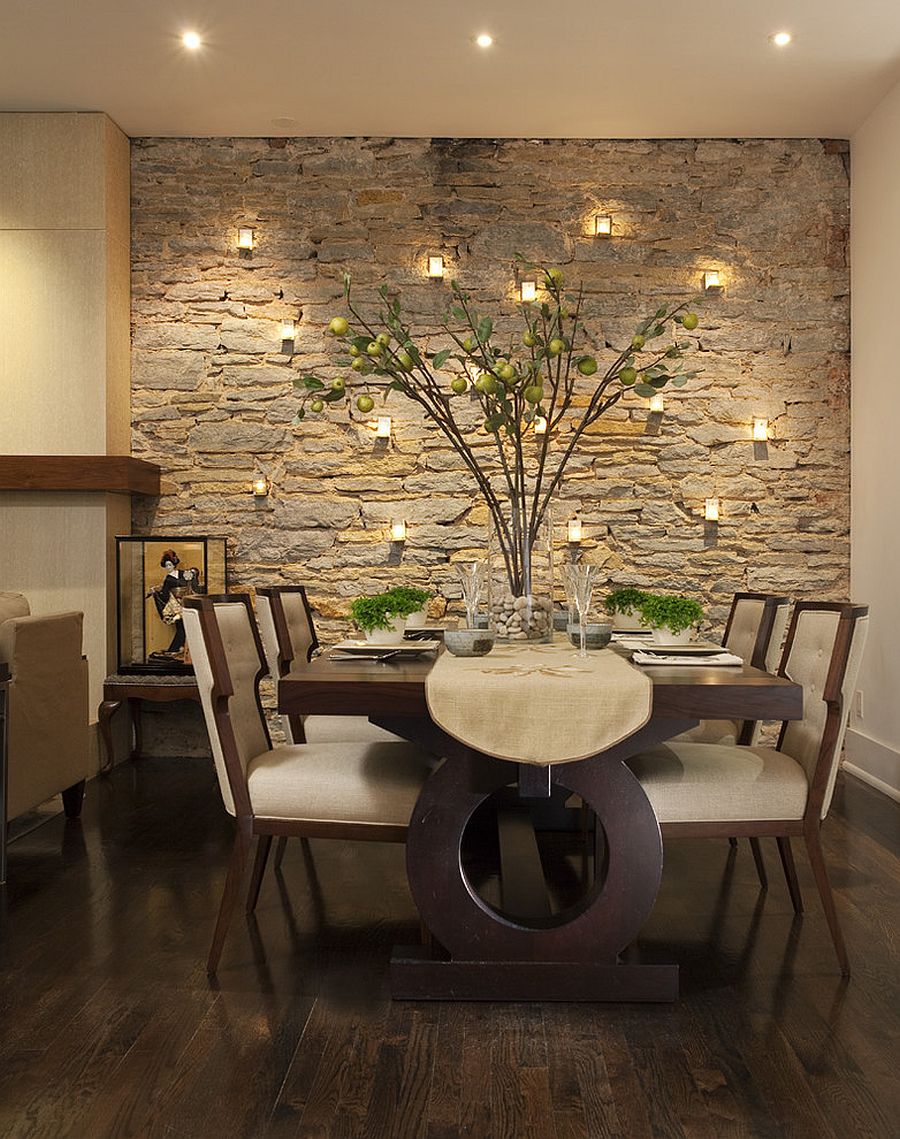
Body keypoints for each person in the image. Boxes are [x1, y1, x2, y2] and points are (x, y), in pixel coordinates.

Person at [147, 549, 201, 658]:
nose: (168, 567)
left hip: (186, 600)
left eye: (170, 564)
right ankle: (176, 649)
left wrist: (193, 576)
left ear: (174, 564)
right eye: (166, 565)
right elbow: (165, 595)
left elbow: (192, 580)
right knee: (181, 626)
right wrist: (156, 592)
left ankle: (179, 649)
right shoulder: (168, 579)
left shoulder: (182, 573)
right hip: (176, 604)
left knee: (186, 626)